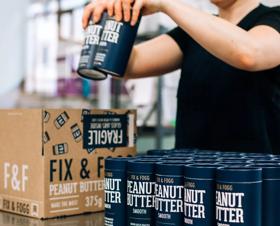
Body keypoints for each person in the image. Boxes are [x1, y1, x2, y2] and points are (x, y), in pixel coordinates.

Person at [82, 0, 280, 154]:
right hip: (192, 182)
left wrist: (165, 4)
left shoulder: (274, 18)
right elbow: (123, 64)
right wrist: (114, 16)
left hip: (256, 184)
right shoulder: (192, 33)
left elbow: (250, 53)